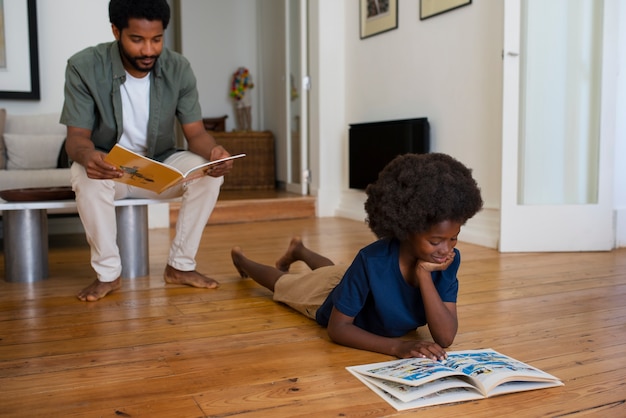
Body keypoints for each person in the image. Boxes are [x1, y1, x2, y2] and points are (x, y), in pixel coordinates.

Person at [60, 0, 234, 302]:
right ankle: (108, 275)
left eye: (157, 39)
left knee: (208, 175)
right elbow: (76, 138)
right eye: (137, 40)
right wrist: (89, 157)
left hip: (159, 167)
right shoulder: (84, 66)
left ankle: (180, 266)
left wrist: (215, 152)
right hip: (109, 171)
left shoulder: (178, 68)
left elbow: (196, 134)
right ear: (116, 31)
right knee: (83, 175)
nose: (149, 50)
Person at [231, 153, 483, 359]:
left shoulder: (447, 260)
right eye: (435, 241)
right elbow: (338, 329)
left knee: (334, 273)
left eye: (454, 237)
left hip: (355, 284)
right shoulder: (372, 260)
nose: (446, 249)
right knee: (283, 283)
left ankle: (300, 250)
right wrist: (397, 347)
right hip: (327, 299)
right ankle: (242, 259)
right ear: (406, 230)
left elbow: (445, 337)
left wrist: (423, 275)